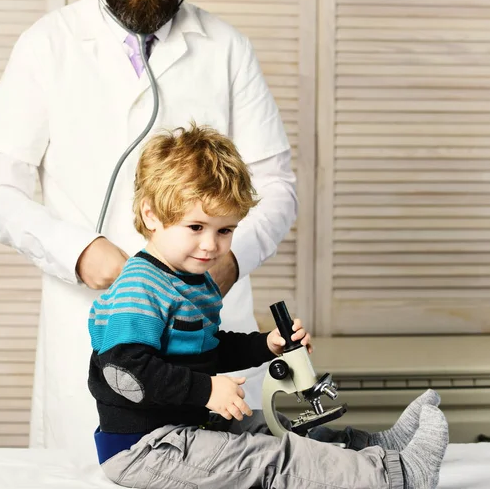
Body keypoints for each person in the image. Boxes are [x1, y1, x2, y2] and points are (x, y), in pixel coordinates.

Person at [0, 0, 297, 463]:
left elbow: (278, 190)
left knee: (230, 471)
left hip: (208, 329)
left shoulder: (227, 49)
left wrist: (228, 258)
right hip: (90, 323)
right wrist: (80, 251)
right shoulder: (47, 46)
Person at [89, 124, 449, 489]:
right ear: (151, 215)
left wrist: (266, 344)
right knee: (271, 458)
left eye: (224, 230)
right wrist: (208, 391)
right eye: (196, 226)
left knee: (276, 431)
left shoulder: (192, 281)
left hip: (190, 426)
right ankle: (398, 478)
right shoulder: (140, 286)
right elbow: (125, 371)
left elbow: (208, 347)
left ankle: (375, 451)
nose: (211, 245)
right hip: (146, 447)